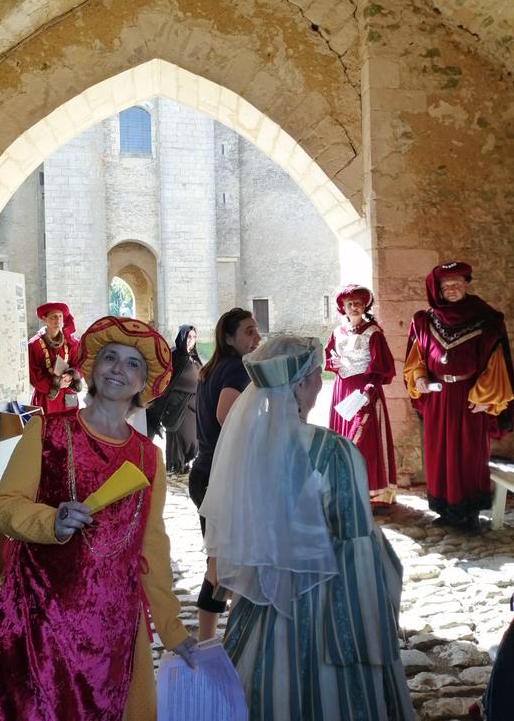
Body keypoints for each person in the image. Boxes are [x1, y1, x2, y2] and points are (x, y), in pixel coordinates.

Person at [0, 316, 197, 721]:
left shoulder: (148, 458)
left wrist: (172, 629)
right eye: (110, 358)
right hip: (40, 623)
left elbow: (151, 546)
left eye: (133, 364)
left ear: (144, 383)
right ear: (92, 368)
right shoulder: (46, 433)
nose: (119, 368)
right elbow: (2, 506)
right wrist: (50, 520)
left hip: (113, 632)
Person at [200, 336, 415, 721]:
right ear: (299, 385)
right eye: (316, 374)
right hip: (328, 599)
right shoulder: (334, 451)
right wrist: (367, 626)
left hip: (262, 600)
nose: (321, 381)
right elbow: (356, 544)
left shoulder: (245, 453)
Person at [404, 261, 514, 535]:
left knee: (469, 454)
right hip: (438, 398)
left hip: (469, 398)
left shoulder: (486, 321)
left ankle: (471, 512)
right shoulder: (425, 320)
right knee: (438, 452)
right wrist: (419, 379)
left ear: (466, 283)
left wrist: (486, 397)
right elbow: (416, 359)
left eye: (457, 283)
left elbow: (496, 362)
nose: (452, 289)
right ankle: (447, 511)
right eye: (446, 286)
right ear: (439, 290)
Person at [189, 307, 261, 641]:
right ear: (229, 337)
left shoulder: (213, 368)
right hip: (221, 478)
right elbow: (226, 416)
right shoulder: (236, 368)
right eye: (248, 331)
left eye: (256, 329)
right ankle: (213, 642)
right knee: (223, 568)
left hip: (206, 473)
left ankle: (209, 639)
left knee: (220, 564)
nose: (256, 337)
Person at [325, 284, 398, 508]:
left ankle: (371, 496)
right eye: (349, 304)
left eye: (358, 303)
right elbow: (329, 356)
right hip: (342, 391)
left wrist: (368, 392)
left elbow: (382, 367)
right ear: (343, 308)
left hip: (366, 392)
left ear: (364, 305)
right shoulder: (337, 333)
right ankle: (345, 493)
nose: (354, 307)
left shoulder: (373, 333)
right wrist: (334, 364)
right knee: (342, 440)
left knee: (364, 441)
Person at [146, 324, 202, 473]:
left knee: (192, 438)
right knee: (179, 437)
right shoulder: (174, 357)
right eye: (189, 337)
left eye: (194, 337)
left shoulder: (194, 357)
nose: (191, 340)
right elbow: (164, 381)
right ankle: (176, 465)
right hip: (177, 406)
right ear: (182, 337)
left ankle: (188, 462)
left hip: (193, 405)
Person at [27, 301, 82, 413]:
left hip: (68, 393)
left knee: (69, 426)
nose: (57, 320)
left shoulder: (72, 343)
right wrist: (55, 385)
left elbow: (79, 365)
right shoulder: (34, 345)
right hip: (47, 396)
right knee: (47, 427)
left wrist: (71, 376)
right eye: (53, 317)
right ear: (44, 319)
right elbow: (33, 374)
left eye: (60, 316)